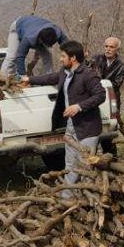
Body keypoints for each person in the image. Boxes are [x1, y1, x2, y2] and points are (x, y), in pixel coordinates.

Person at [21, 41, 105, 199]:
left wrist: (78, 106)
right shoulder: (64, 73)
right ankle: (68, 199)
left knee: (86, 168)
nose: (60, 59)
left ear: (73, 58)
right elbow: (49, 77)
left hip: (87, 129)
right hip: (71, 128)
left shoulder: (88, 74)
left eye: (63, 56)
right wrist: (30, 79)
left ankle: (88, 202)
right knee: (70, 166)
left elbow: (100, 95)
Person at [89, 37, 124, 156]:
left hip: (111, 98)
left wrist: (100, 82)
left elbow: (116, 83)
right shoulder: (96, 59)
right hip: (93, 97)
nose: (108, 49)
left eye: (111, 47)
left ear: (117, 49)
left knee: (109, 130)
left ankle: (112, 158)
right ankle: (92, 157)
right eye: (106, 46)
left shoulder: (122, 66)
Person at [0, 15, 68, 77]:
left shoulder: (58, 32)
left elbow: (69, 48)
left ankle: (48, 78)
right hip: (18, 27)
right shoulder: (29, 38)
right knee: (12, 56)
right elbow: (20, 57)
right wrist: (23, 76)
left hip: (34, 26)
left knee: (47, 56)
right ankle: (2, 79)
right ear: (40, 40)